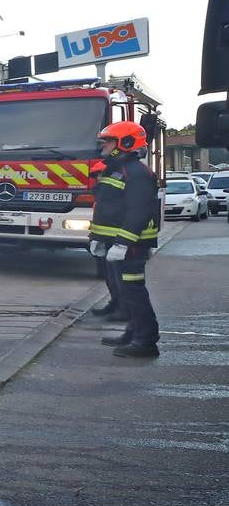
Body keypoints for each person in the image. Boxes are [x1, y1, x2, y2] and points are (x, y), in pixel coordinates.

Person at [88, 121, 161, 358]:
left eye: (108, 141)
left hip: (130, 246)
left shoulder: (137, 172)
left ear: (125, 143)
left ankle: (146, 342)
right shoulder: (116, 169)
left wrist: (123, 243)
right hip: (117, 244)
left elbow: (138, 211)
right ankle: (135, 332)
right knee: (124, 291)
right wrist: (97, 237)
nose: (104, 146)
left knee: (133, 292)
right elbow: (108, 207)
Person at [87, 160, 126, 324]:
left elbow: (113, 216)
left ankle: (123, 309)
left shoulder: (111, 191)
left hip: (116, 239)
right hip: (106, 239)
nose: (96, 179)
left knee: (119, 276)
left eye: (98, 175)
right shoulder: (104, 192)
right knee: (110, 276)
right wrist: (95, 237)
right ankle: (114, 303)